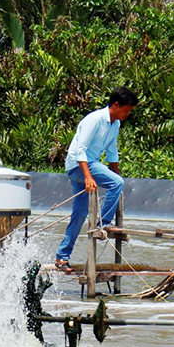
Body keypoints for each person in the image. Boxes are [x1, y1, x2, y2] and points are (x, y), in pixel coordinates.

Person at [55, 86, 138, 273]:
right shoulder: (94, 119)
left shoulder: (115, 124)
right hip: (79, 165)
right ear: (116, 105)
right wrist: (88, 177)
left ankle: (62, 257)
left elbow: (112, 151)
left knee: (79, 214)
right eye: (126, 109)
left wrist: (114, 172)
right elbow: (79, 150)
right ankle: (104, 223)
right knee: (117, 184)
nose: (127, 113)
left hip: (88, 165)